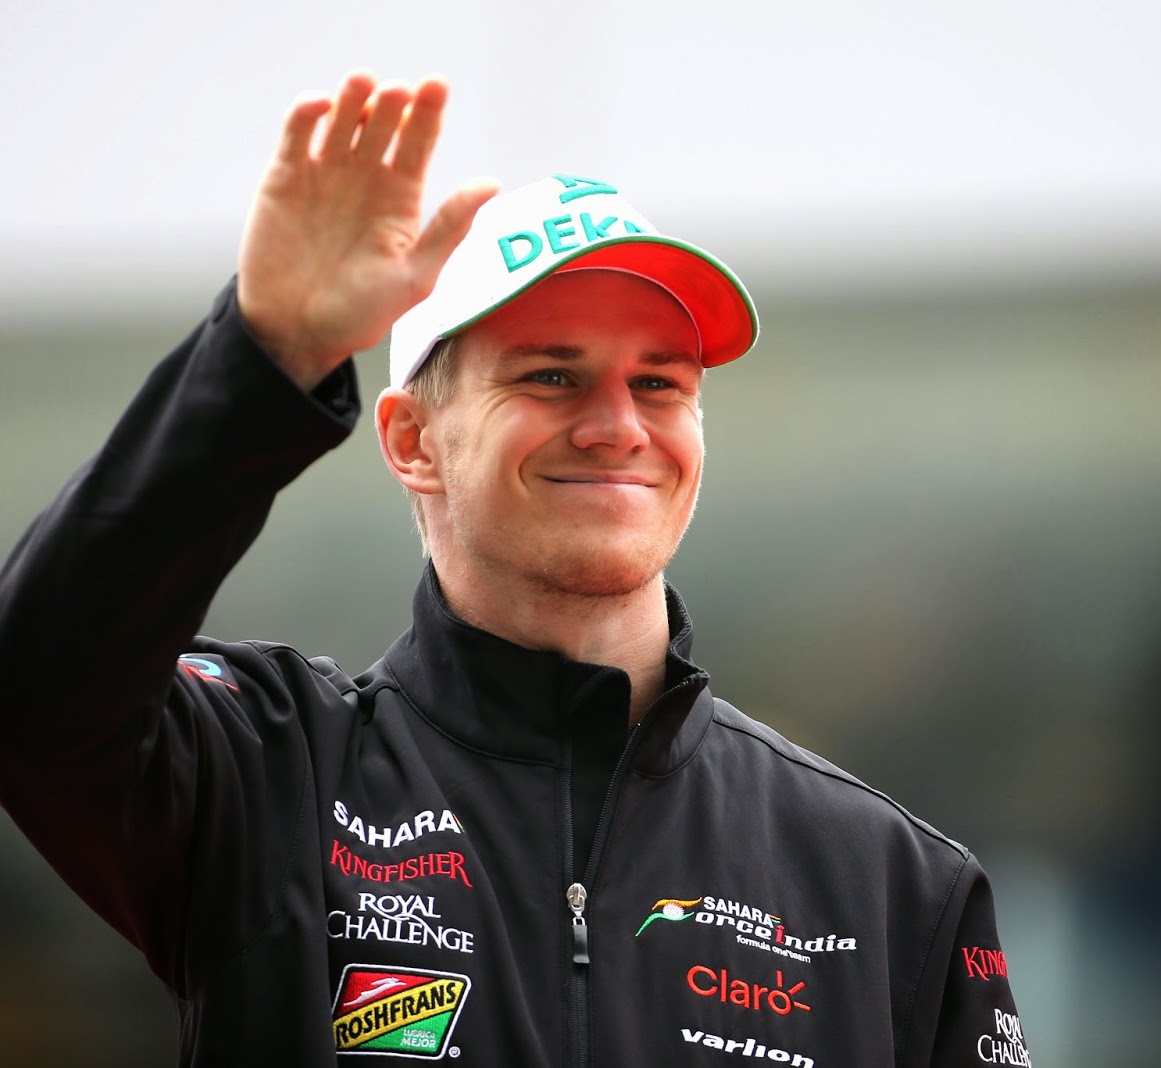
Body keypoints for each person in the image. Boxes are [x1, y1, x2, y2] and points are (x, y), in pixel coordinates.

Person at [0, 72, 1027, 1066]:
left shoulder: (892, 882)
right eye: (551, 375)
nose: (618, 425)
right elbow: (37, 686)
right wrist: (266, 356)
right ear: (412, 440)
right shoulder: (268, 772)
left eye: (659, 384)